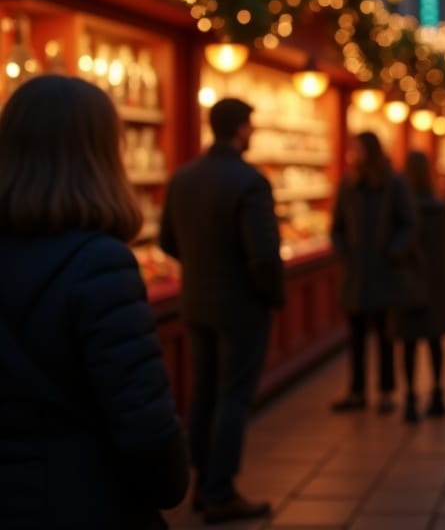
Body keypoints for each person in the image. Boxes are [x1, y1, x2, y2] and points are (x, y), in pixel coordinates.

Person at [0, 75, 188, 529]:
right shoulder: (100, 263)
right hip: (80, 497)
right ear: (101, 155)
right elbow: (143, 420)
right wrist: (170, 482)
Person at [160, 96, 285, 524]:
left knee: (204, 392)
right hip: (241, 306)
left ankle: (201, 483)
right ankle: (220, 490)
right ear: (240, 129)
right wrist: (272, 296)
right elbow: (264, 254)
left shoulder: (184, 177)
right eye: (250, 125)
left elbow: (167, 241)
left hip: (196, 302)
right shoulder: (250, 181)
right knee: (233, 396)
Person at [330, 131, 418, 415]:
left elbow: (410, 223)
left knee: (385, 335)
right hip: (357, 273)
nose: (352, 153)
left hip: (385, 272)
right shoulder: (348, 184)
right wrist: (346, 252)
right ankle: (357, 390)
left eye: (356, 148)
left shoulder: (394, 183)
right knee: (355, 336)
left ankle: (386, 391)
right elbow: (337, 226)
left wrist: (394, 251)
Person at [396, 150, 445, 422]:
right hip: (436, 283)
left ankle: (410, 397)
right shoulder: (440, 207)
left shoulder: (401, 211)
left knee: (409, 343)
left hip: (408, 281)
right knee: (435, 341)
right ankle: (437, 394)